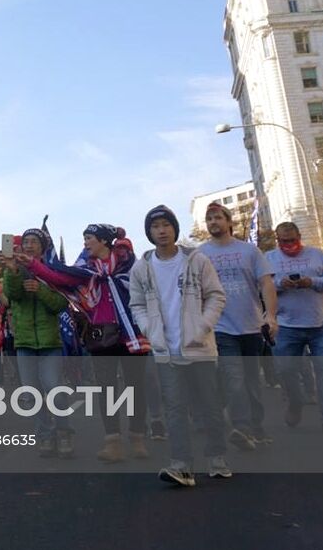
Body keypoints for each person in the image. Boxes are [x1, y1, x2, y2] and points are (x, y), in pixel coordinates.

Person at [130, 206, 229, 486]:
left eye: (166, 225)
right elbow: (136, 303)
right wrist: (148, 328)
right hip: (165, 349)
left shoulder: (197, 260)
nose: (161, 231)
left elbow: (216, 296)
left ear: (175, 228)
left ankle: (217, 457)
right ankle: (182, 465)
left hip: (198, 347)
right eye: (155, 226)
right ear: (149, 233)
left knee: (208, 405)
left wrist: (203, 325)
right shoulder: (143, 267)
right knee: (174, 407)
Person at [33, 222, 148, 462]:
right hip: (101, 334)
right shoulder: (85, 270)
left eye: (89, 238)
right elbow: (57, 276)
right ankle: (113, 441)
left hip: (132, 333)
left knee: (135, 386)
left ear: (104, 241)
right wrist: (32, 263)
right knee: (106, 389)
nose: (85, 243)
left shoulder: (131, 266)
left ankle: (137, 437)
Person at [198, 201, 278, 450]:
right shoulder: (200, 255)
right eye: (209, 219)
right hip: (220, 327)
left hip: (251, 325)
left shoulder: (250, 251)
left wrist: (271, 316)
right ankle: (241, 428)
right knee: (234, 379)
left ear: (229, 222)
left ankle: (256, 427)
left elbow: (266, 284)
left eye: (218, 218)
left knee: (252, 380)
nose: (213, 222)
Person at [265, 222, 323, 434]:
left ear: (299, 236)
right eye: (284, 241)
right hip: (286, 325)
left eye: (293, 240)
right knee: (286, 371)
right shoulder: (269, 258)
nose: (289, 245)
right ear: (278, 240)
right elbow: (262, 285)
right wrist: (279, 285)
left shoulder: (316, 254)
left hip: (321, 324)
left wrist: (312, 282)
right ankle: (296, 402)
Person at [2, 228, 72, 457]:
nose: (29, 245)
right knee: (31, 392)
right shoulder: (15, 268)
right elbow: (11, 295)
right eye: (27, 242)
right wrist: (12, 270)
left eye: (34, 242)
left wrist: (41, 290)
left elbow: (61, 304)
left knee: (53, 387)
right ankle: (45, 435)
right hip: (24, 340)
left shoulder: (51, 271)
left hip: (49, 340)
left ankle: (63, 432)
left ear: (42, 247)